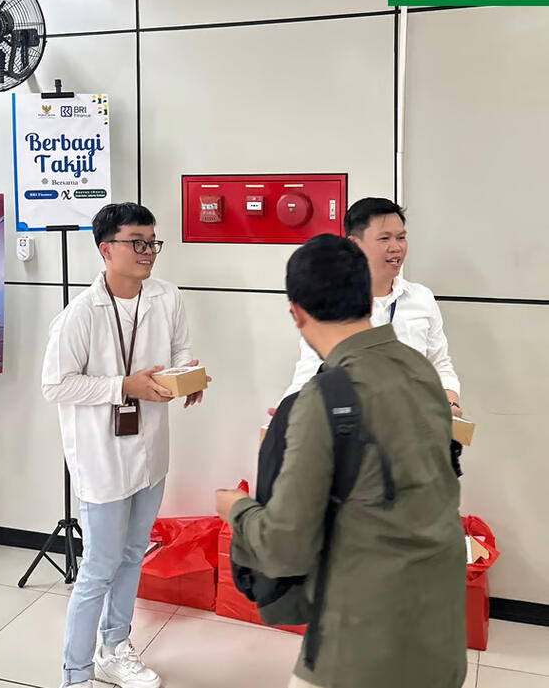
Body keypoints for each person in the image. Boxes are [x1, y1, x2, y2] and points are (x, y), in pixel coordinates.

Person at [217, 234, 467, 688]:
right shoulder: (420, 371)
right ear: (368, 300)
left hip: (362, 647)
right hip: (440, 634)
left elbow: (285, 547)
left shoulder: (327, 397)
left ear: (297, 313)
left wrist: (235, 507)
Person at [42, 203, 208, 688]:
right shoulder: (79, 315)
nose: (148, 251)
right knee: (98, 566)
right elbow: (55, 385)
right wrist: (123, 386)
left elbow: (179, 351)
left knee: (134, 553)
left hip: (151, 450)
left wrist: (187, 377)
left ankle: (115, 647)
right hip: (102, 456)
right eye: (137, 242)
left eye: (152, 242)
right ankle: (75, 673)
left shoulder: (166, 295)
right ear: (105, 249)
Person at [277, 197, 462, 418]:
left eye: (401, 238)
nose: (396, 247)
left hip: (413, 423)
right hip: (354, 424)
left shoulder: (421, 298)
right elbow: (310, 372)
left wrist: (451, 403)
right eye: (384, 238)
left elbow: (439, 363)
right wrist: (287, 413)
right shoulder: (333, 301)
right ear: (354, 245)